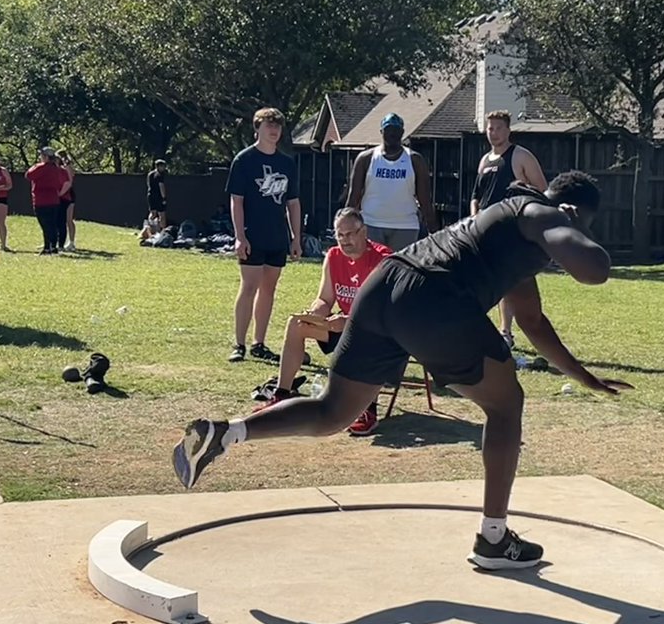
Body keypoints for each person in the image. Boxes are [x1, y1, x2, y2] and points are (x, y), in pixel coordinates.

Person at [174, 171, 632, 571]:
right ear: (572, 210)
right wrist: (567, 222)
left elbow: (533, 323)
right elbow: (594, 269)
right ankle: (493, 538)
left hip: (388, 284)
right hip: (433, 297)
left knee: (333, 412)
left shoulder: (514, 234)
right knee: (507, 404)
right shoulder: (538, 212)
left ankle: (227, 433)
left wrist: (580, 374)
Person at [257, 207, 393, 435]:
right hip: (341, 325)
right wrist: (315, 314)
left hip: (376, 331)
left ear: (364, 232)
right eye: (340, 235)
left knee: (364, 336)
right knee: (296, 325)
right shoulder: (333, 256)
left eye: (350, 234)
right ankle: (282, 393)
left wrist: (349, 321)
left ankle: (367, 409)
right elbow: (325, 298)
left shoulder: (383, 259)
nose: (344, 240)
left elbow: (383, 311)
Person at [226, 106, 301, 363]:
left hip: (277, 237)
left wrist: (296, 238)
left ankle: (259, 343)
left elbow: (293, 203)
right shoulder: (244, 160)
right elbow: (236, 201)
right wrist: (239, 236)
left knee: (268, 289)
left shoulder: (287, 163)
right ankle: (239, 344)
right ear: (257, 128)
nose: (274, 130)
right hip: (252, 235)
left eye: (277, 126)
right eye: (269, 125)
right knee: (249, 287)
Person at [471, 110, 549, 348]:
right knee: (484, 281)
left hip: (512, 231)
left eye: (497, 128)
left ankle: (506, 332)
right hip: (484, 231)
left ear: (508, 130)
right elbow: (476, 195)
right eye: (489, 128)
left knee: (511, 282)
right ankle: (479, 330)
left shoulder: (521, 156)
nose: (493, 133)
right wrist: (474, 218)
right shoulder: (485, 161)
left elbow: (543, 190)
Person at [345, 113, 438, 251]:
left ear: (402, 132)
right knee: (373, 269)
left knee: (401, 270)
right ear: (381, 132)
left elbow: (425, 199)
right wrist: (346, 226)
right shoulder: (366, 159)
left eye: (396, 130)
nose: (392, 134)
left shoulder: (414, 160)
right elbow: (354, 196)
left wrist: (434, 231)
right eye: (388, 130)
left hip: (405, 226)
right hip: (372, 224)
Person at [25, 147, 68, 255]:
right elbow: (61, 182)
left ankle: (47, 247)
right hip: (54, 200)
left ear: (46, 157)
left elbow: (28, 175)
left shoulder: (41, 167)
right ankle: (53, 246)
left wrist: (36, 166)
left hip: (41, 200)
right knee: (52, 224)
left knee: (45, 224)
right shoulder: (57, 169)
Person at [58, 149, 77, 251]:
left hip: (68, 195)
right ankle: (55, 241)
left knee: (68, 219)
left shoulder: (67, 167)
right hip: (60, 195)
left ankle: (71, 242)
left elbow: (70, 179)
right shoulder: (58, 168)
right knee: (58, 219)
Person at [147, 159, 168, 232]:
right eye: (163, 166)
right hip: (158, 197)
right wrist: (164, 198)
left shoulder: (150, 174)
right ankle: (163, 231)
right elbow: (161, 186)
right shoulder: (160, 175)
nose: (164, 168)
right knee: (162, 214)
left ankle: (149, 227)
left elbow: (149, 185)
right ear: (159, 166)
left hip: (151, 195)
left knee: (153, 213)